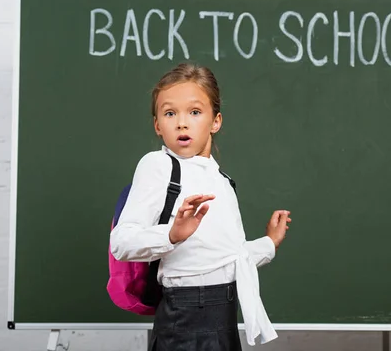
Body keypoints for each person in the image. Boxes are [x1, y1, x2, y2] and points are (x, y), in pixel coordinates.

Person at [110, 62, 291, 350]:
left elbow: (227, 261)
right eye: (170, 113)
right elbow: (121, 243)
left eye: (194, 112)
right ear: (158, 125)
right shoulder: (157, 165)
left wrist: (269, 243)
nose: (182, 122)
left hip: (224, 319)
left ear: (215, 121)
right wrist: (172, 234)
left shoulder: (222, 181)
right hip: (183, 319)